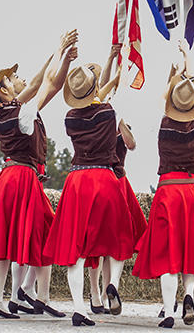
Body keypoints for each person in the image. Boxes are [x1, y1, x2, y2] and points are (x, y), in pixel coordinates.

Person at [0, 30, 78, 320]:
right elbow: (46, 85)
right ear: (5, 91)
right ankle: (33, 294)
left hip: (6, 177)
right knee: (46, 232)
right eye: (9, 80)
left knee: (3, 239)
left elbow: (36, 83)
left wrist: (59, 55)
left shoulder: (1, 114)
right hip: (23, 178)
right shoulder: (21, 112)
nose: (15, 79)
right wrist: (59, 51)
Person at [42, 55, 137, 327]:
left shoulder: (69, 117)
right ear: (95, 90)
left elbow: (98, 92)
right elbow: (104, 93)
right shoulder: (109, 113)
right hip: (104, 178)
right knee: (118, 240)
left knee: (77, 249)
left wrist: (110, 62)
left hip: (77, 180)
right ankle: (113, 285)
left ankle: (79, 309)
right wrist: (116, 67)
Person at [132, 42, 194, 329]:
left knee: (168, 254)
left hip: (169, 191)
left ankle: (169, 312)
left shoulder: (164, 123)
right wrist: (188, 60)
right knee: (192, 250)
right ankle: (190, 297)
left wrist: (178, 64)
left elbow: (172, 90)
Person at [87, 45, 147, 315]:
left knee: (113, 239)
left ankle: (108, 289)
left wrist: (120, 121)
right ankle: (97, 293)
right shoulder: (89, 116)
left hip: (116, 182)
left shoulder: (112, 114)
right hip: (105, 181)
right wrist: (112, 61)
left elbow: (132, 144)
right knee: (99, 242)